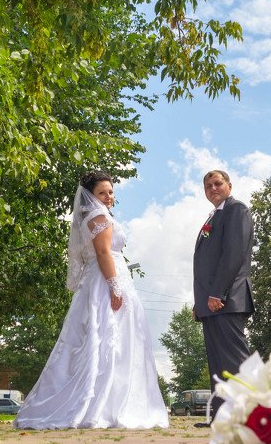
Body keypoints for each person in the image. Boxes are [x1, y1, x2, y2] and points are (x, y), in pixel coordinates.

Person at [13, 171, 168, 430]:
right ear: (90, 196)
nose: (108, 197)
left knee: (103, 340)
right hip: (106, 280)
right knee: (110, 340)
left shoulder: (88, 218)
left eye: (111, 192)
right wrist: (114, 286)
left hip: (96, 279)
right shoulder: (98, 216)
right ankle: (105, 406)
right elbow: (103, 252)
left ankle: (108, 402)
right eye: (102, 192)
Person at [192, 169, 254, 425]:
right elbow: (207, 262)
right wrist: (200, 301)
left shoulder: (237, 210)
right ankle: (221, 417)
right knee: (218, 364)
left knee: (235, 360)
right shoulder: (214, 215)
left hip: (226, 299)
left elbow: (233, 254)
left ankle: (251, 415)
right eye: (208, 186)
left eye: (217, 183)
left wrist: (218, 293)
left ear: (229, 185)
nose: (213, 188)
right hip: (210, 303)